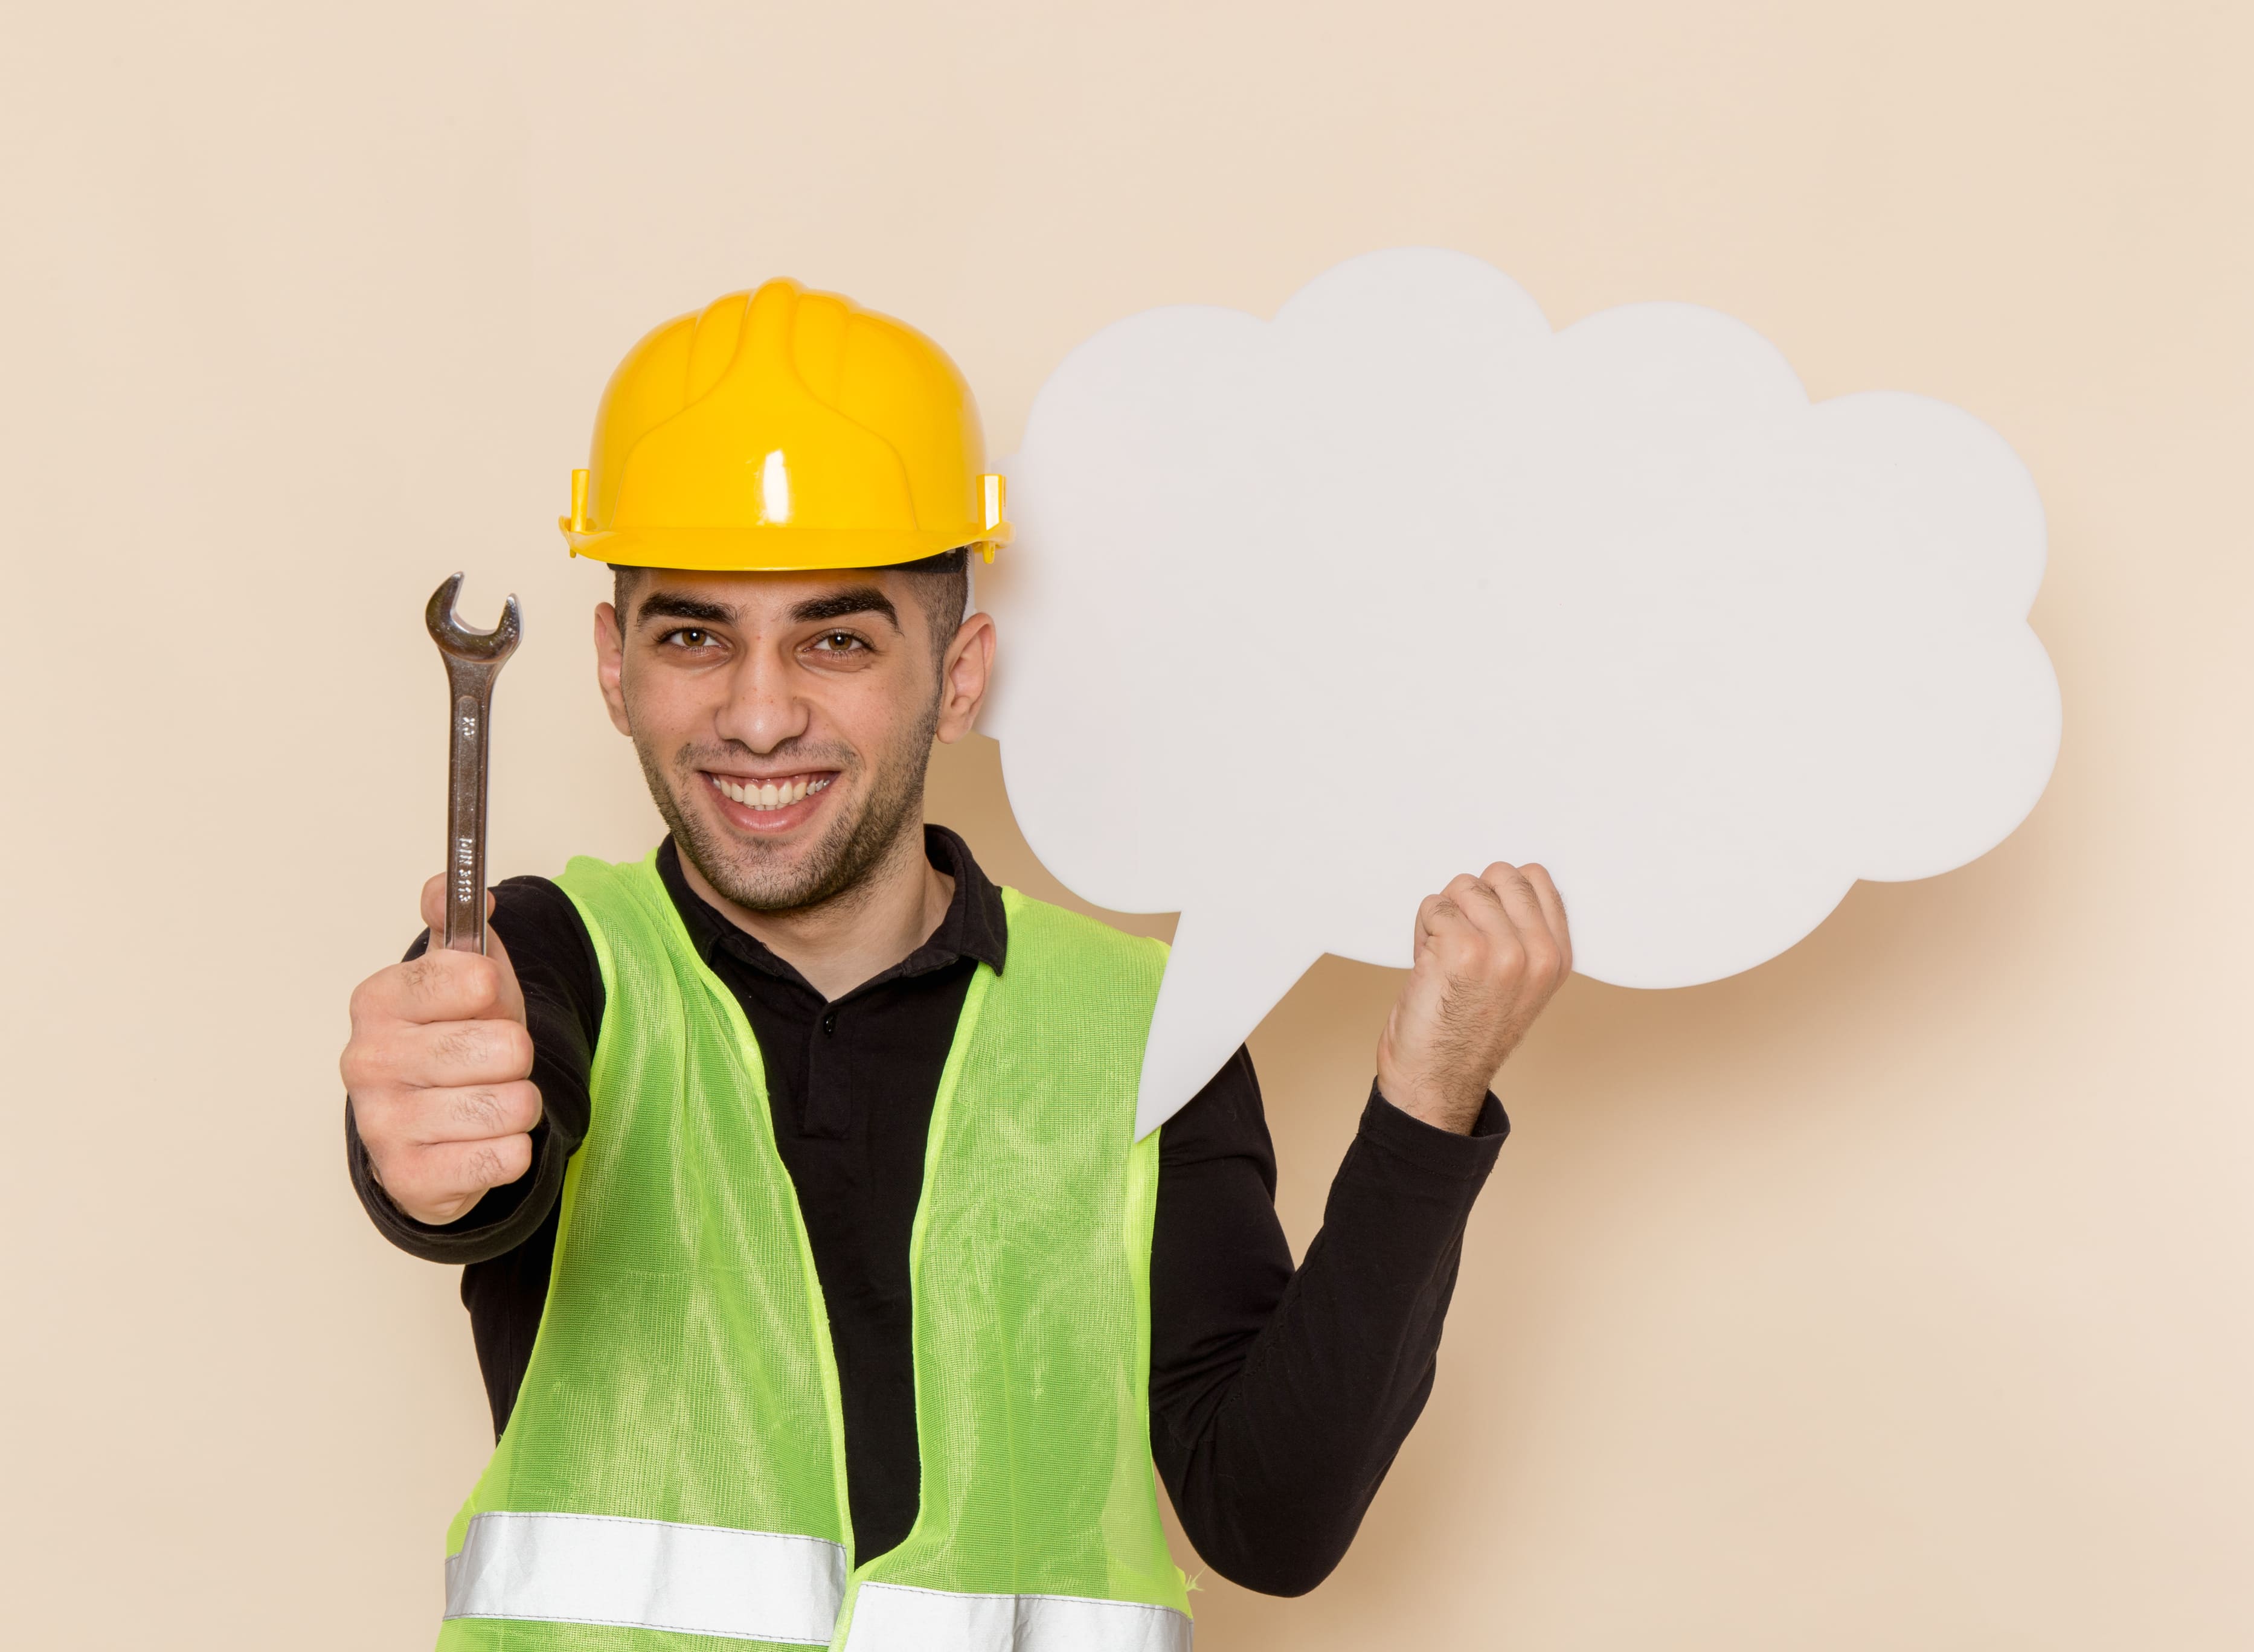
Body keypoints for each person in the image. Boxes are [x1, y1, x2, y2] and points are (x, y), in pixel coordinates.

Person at [341, 277, 1572, 1651]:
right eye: (694, 635)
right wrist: (433, 1142)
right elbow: (467, 1142)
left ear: (962, 670)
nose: (759, 714)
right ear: (614, 668)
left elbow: (1269, 1523)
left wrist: (1429, 1106)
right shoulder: (543, 961)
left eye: (839, 640)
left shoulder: (1145, 1032)